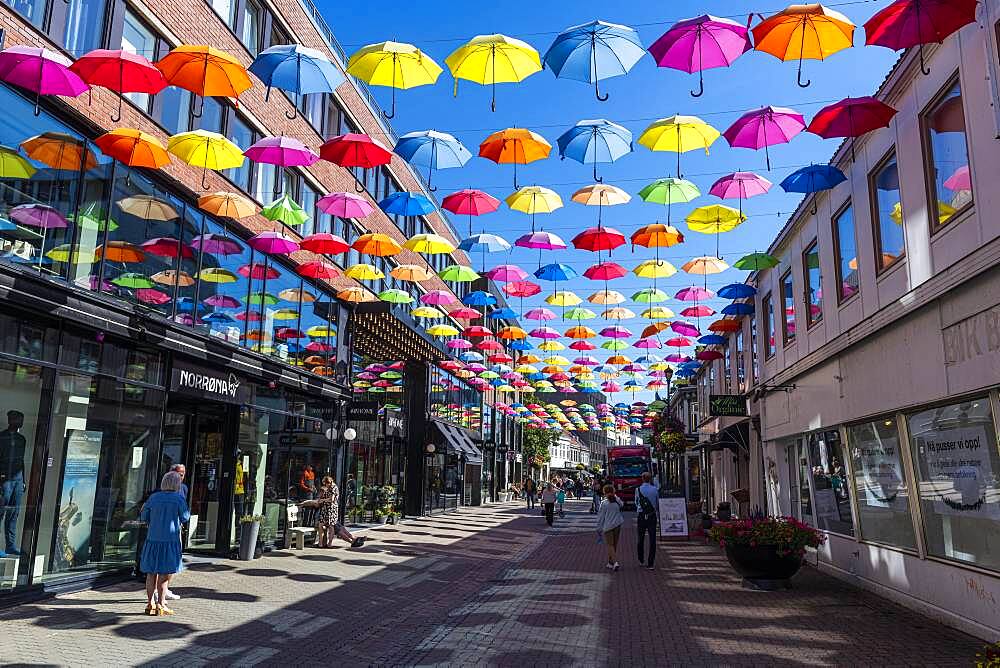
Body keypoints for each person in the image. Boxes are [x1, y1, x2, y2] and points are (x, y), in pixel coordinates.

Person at [140, 471, 190, 616]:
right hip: (170, 540)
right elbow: (185, 517)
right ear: (177, 484)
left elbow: (144, 516)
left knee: (151, 573)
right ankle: (161, 605)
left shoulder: (154, 497)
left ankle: (150, 603)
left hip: (153, 539)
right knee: (164, 575)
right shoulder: (179, 499)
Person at [0, 410, 26, 557]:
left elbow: (22, 461)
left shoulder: (22, 439)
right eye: (19, 419)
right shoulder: (1, 437)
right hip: (4, 480)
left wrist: (24, 480)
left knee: (14, 513)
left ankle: (10, 546)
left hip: (17, 480)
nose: (21, 423)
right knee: (1, 512)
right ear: (11, 420)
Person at [315, 476, 365, 548]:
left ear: (328, 483)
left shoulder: (332, 488)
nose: (324, 485)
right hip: (329, 510)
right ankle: (353, 539)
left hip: (330, 510)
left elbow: (331, 499)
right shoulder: (330, 487)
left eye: (325, 484)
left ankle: (352, 540)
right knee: (338, 527)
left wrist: (322, 500)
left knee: (336, 528)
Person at [595, 484, 623, 571]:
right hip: (618, 525)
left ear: (605, 493)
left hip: (608, 526)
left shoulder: (604, 503)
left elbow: (601, 517)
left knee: (610, 545)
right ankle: (610, 562)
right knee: (614, 545)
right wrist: (615, 495)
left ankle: (615, 563)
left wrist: (598, 528)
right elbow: (622, 505)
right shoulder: (617, 501)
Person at [635, 472, 659, 570]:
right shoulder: (655, 489)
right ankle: (651, 563)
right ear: (650, 479)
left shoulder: (638, 489)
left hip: (641, 515)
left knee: (640, 538)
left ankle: (641, 559)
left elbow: (636, 502)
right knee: (652, 539)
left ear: (642, 478)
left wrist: (640, 508)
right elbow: (657, 503)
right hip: (652, 516)